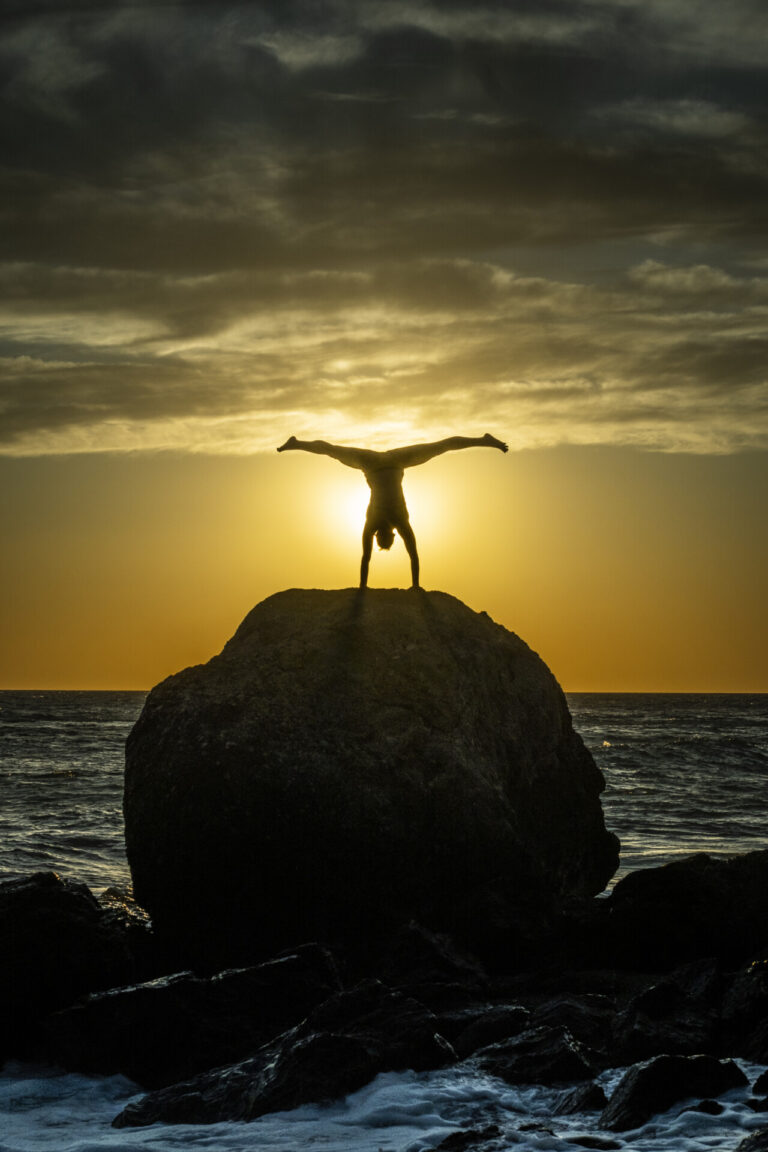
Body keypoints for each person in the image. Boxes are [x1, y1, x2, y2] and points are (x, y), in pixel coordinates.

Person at [277, 433, 508, 589]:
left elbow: (369, 558)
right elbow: (406, 555)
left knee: (331, 450)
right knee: (441, 447)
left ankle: (296, 443)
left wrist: (364, 588)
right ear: (388, 535)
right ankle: (484, 440)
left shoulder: (377, 522)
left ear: (383, 535)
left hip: (375, 462)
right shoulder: (395, 521)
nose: (386, 535)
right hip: (393, 461)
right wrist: (415, 586)